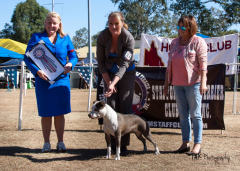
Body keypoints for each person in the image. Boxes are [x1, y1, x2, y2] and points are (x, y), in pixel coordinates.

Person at [24, 12, 78, 153]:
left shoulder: (66, 38)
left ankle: (61, 143)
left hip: (62, 80)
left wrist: (70, 65)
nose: (51, 25)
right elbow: (27, 57)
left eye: (54, 23)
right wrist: (36, 71)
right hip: (43, 81)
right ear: (45, 23)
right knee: (46, 113)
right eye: (49, 22)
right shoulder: (36, 37)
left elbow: (73, 56)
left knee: (60, 113)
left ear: (59, 24)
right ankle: (46, 143)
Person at [163, 15, 207, 155]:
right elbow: (169, 64)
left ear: (191, 28)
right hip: (177, 83)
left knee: (195, 114)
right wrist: (166, 83)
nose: (180, 30)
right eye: (178, 27)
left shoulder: (198, 41)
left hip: (194, 83)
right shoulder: (174, 42)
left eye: (183, 27)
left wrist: (203, 82)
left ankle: (197, 144)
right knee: (183, 115)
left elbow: (203, 64)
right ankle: (185, 143)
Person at [97, 11, 136, 156]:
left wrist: (114, 82)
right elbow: (100, 62)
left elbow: (124, 65)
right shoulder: (102, 36)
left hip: (126, 73)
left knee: (125, 107)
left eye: (116, 23)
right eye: (110, 24)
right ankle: (111, 145)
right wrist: (109, 82)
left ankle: (123, 145)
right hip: (107, 72)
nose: (113, 26)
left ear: (121, 23)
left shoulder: (129, 38)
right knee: (110, 108)